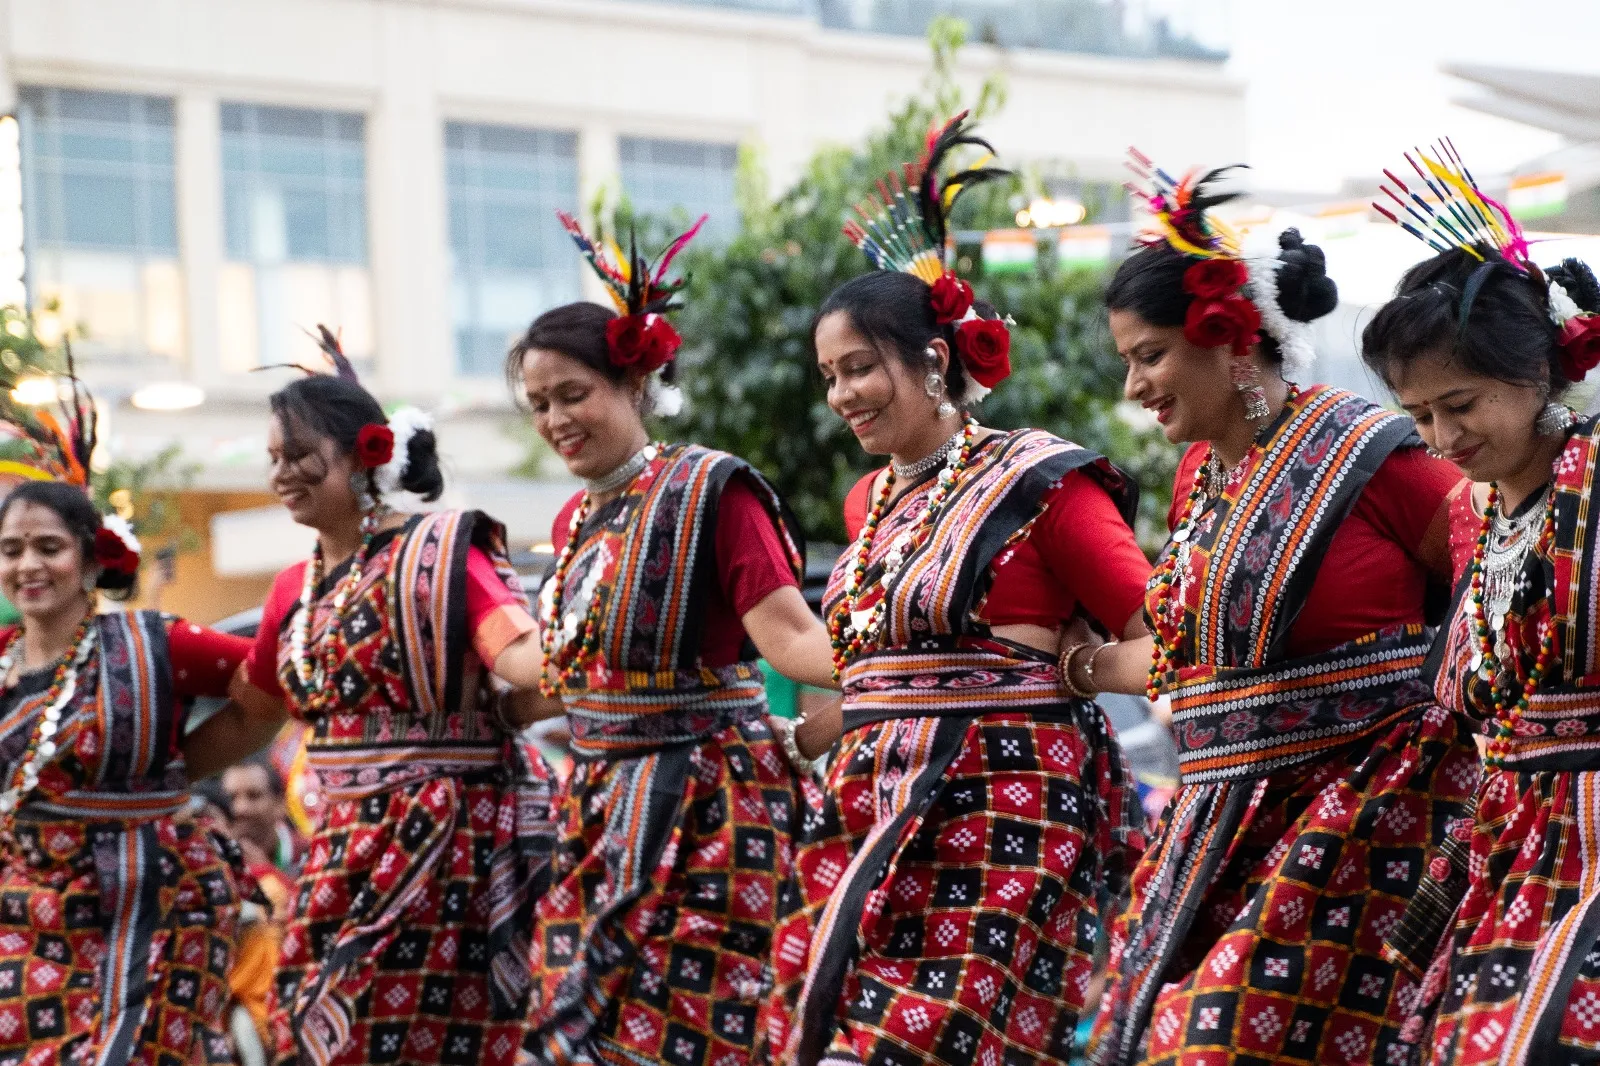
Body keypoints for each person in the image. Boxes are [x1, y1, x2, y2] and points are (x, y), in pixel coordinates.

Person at [1079, 154, 1479, 1066]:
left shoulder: (1373, 456)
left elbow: (1488, 589)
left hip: (1369, 817)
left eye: (1150, 356)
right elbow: (1192, 656)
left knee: (1219, 1033)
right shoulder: (1199, 481)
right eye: (1129, 362)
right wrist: (1074, 666)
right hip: (1227, 816)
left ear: (1226, 335)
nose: (1135, 387)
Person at [772, 113, 1152, 1066]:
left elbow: (1166, 640)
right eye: (829, 376)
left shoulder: (1043, 485)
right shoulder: (869, 501)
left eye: (860, 368)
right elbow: (879, 662)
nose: (843, 396)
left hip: (1006, 816)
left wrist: (1078, 668)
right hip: (874, 809)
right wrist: (836, 715)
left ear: (933, 360)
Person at [511, 211, 834, 1065]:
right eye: (539, 403)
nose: (555, 419)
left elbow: (793, 642)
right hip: (599, 812)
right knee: (580, 1030)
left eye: (572, 394)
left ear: (634, 383)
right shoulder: (574, 520)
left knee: (690, 1032)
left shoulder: (711, 491)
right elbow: (571, 679)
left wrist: (918, 661)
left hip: (708, 812)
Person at [186, 330, 558, 1066]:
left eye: (300, 457)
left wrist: (597, 638)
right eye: (274, 461)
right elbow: (254, 713)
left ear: (366, 452)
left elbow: (518, 656)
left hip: (449, 845)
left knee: (434, 1037)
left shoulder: (441, 552)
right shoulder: (294, 589)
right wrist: (145, 774)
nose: (283, 474)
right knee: (318, 1023)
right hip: (341, 848)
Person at [1359, 144, 1600, 1065]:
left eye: (1460, 404)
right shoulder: (1475, 513)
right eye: (1420, 418)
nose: (1443, 439)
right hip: (1513, 854)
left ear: (1537, 371)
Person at [0, 382, 255, 1066]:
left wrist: (184, 767)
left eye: (48, 547)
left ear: (91, 559)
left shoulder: (153, 645)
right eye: (12, 549)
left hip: (154, 904)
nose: (28, 565)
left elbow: (272, 685)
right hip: (31, 918)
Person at [223, 753, 304, 875]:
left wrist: (265, 874)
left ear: (280, 804)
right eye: (231, 798)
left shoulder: (310, 853)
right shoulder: (211, 862)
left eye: (253, 796)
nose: (240, 808)